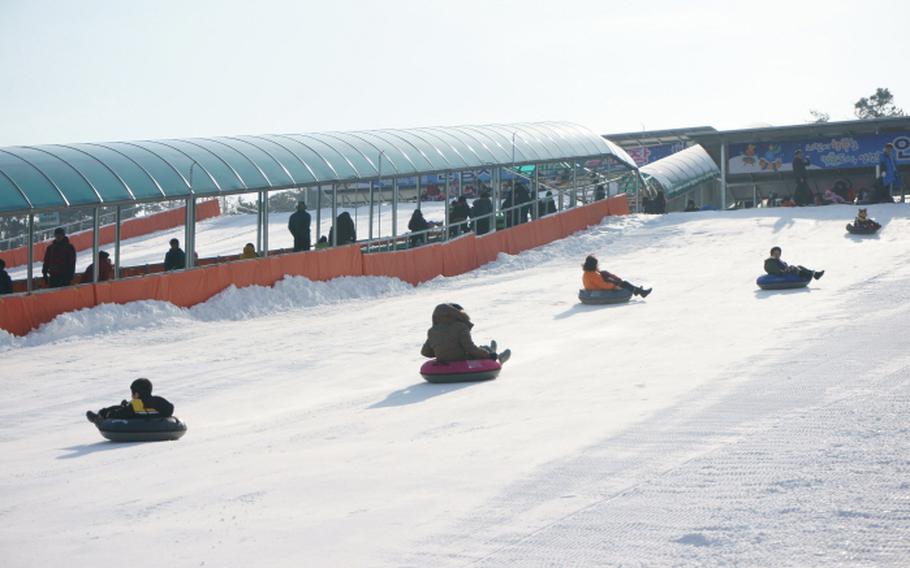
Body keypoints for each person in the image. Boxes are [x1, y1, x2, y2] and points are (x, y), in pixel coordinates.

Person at [421, 303, 510, 363]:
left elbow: (425, 352)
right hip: (461, 359)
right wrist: (488, 356)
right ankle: (499, 358)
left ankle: (490, 350)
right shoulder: (460, 327)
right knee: (484, 350)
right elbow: (470, 348)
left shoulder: (432, 331)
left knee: (482, 349)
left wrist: (441, 351)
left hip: (443, 360)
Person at [85, 378, 174, 425]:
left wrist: (110, 415)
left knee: (116, 408)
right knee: (123, 406)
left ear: (136, 394)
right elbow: (170, 408)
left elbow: (123, 413)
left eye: (132, 393)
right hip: (152, 418)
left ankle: (99, 417)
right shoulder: (158, 400)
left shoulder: (136, 404)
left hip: (136, 421)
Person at [582, 255, 651, 297]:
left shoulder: (589, 272)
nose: (597, 265)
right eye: (596, 264)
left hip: (596, 286)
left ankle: (638, 291)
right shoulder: (593, 275)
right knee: (624, 284)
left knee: (604, 273)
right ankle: (641, 292)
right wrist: (614, 286)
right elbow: (602, 285)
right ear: (593, 265)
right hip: (597, 290)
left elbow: (600, 278)